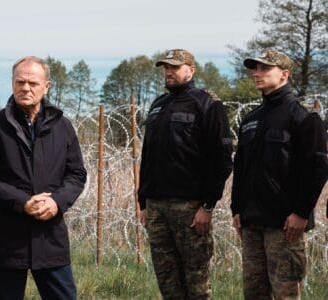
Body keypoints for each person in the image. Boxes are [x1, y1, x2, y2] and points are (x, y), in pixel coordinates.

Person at [0, 56, 87, 300]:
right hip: (8, 238)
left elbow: (76, 173)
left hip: (50, 237)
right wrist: (22, 201)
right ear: (12, 84)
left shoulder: (62, 127)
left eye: (33, 83)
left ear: (47, 86)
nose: (25, 88)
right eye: (19, 82)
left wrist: (57, 201)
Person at [231, 50, 328, 300]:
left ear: (284, 74)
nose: (257, 73)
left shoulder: (303, 117)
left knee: (284, 294)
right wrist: (236, 209)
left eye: (265, 69)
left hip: (284, 225)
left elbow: (317, 168)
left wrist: (301, 213)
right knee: (253, 293)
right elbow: (241, 168)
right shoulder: (251, 119)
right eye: (256, 68)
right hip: (252, 222)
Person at [138, 49, 233, 299]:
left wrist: (208, 205)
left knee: (196, 281)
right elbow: (147, 156)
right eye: (166, 67)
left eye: (175, 67)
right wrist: (143, 202)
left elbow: (222, 159)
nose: (169, 72)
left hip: (190, 207)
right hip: (157, 206)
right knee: (167, 280)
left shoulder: (207, 104)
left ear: (191, 70)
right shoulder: (158, 105)